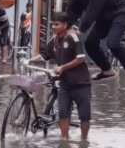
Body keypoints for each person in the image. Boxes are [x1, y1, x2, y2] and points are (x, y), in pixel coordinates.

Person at [26, 12, 91, 140]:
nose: (54, 27)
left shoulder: (74, 37)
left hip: (81, 83)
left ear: (65, 25)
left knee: (84, 115)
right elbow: (45, 55)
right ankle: (65, 140)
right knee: (63, 114)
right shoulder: (54, 40)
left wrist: (63, 67)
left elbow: (80, 58)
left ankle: (84, 140)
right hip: (65, 85)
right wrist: (29, 60)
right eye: (52, 24)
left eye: (57, 24)